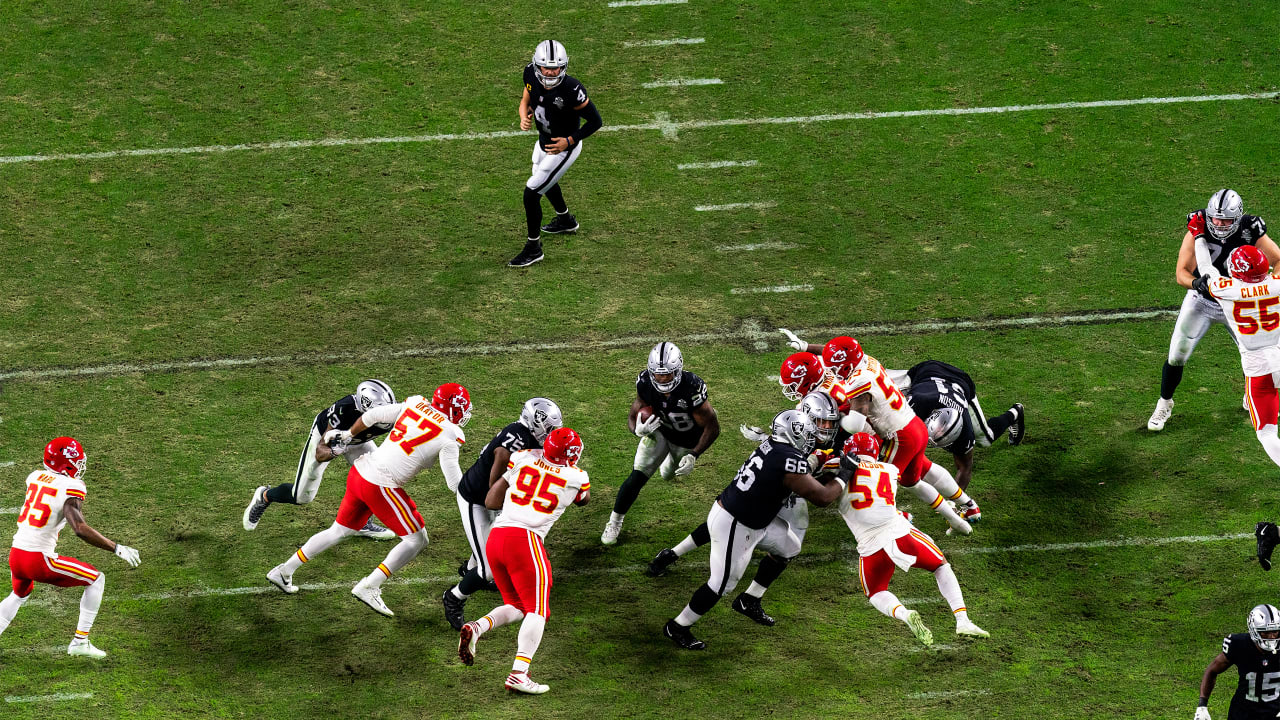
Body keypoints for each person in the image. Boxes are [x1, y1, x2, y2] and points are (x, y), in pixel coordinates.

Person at [266, 384, 471, 617]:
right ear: (453, 407)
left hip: (361, 472)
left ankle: (284, 570)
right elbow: (455, 484)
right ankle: (370, 585)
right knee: (417, 539)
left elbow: (372, 415)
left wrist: (347, 435)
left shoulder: (416, 403)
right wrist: (480, 495)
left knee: (339, 531)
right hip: (380, 485)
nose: (465, 412)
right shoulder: (450, 436)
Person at [647, 391, 842, 628]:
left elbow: (793, 466)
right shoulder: (789, 458)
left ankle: (749, 599)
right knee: (722, 584)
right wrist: (845, 473)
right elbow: (821, 497)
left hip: (750, 512)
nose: (818, 433)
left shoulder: (778, 443)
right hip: (737, 521)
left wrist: (815, 463)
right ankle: (677, 626)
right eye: (818, 425)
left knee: (790, 547)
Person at [783, 331, 980, 529]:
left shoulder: (846, 385)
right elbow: (831, 357)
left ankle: (897, 519)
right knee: (920, 473)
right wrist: (806, 347)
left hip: (894, 437)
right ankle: (968, 508)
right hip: (911, 423)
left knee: (876, 481)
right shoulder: (865, 361)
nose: (832, 370)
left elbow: (855, 425)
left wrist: (835, 418)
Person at [458, 427, 590, 695]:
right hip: (526, 541)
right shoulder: (577, 476)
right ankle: (519, 673)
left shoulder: (523, 456)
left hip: (497, 538)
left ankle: (477, 627)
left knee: (517, 605)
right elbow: (584, 499)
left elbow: (492, 501)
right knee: (538, 610)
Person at [835, 432, 987, 646]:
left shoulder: (834, 467)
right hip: (897, 533)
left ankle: (905, 614)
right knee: (940, 566)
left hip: (868, 545)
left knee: (876, 591)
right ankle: (962, 620)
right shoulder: (890, 470)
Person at [1149, 189, 1278, 431]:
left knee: (1258, 355)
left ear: (1237, 218)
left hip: (1239, 304)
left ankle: (1252, 396)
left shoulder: (1250, 228)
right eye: (1215, 218)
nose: (1218, 224)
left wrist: (1268, 287)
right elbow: (1181, 273)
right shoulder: (1200, 225)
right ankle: (1164, 402)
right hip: (1202, 300)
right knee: (1177, 354)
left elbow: (1278, 259)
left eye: (1226, 220)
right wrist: (1196, 283)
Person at [0, 437, 141, 659]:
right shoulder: (72, 486)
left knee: (19, 594)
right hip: (39, 560)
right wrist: (116, 548)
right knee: (96, 579)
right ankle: (80, 642)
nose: (80, 464)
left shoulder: (34, 477)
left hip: (16, 554)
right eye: (76, 459)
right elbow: (79, 528)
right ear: (66, 462)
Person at [443, 398, 563, 631]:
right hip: (476, 499)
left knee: (487, 551)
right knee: (488, 569)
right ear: (535, 424)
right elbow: (493, 485)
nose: (551, 434)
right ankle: (454, 597)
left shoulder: (523, 434)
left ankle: (470, 570)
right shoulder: (516, 441)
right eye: (549, 429)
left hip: (492, 499)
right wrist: (505, 506)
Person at [243, 379, 398, 539]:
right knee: (301, 496)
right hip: (328, 439)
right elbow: (320, 452)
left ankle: (361, 523)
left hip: (356, 440)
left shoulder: (394, 413)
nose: (383, 416)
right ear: (364, 409)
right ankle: (265, 496)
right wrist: (334, 451)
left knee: (377, 477)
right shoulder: (343, 411)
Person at [601, 342, 719, 545]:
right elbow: (633, 413)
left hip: (686, 441)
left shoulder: (692, 387)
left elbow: (713, 427)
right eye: (658, 374)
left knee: (667, 475)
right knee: (637, 477)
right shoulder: (645, 382)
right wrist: (637, 430)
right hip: (659, 432)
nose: (662, 378)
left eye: (667, 374)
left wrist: (694, 454)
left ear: (678, 370)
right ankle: (614, 522)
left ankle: (670, 462)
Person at [508, 40, 604, 268]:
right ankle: (565, 220)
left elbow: (596, 121)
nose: (551, 72)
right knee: (545, 182)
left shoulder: (572, 89)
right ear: (536, 66)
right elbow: (526, 98)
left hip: (565, 149)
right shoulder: (530, 74)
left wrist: (569, 141)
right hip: (543, 143)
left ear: (564, 67)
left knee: (531, 193)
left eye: (556, 68)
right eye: (546, 67)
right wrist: (524, 114)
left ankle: (534, 248)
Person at [887, 359, 1024, 490]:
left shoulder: (965, 431)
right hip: (927, 372)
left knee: (985, 439)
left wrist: (954, 502)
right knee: (877, 392)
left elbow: (965, 469)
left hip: (960, 384)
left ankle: (1015, 413)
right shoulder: (915, 404)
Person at [1200, 246, 1280, 468]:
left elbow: (1207, 269)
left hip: (1259, 369)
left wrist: (1198, 238)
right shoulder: (1276, 283)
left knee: (1267, 433)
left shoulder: (1226, 289)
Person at [1195, 604, 1280, 719]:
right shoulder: (1239, 645)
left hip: (1274, 712)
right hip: (1243, 714)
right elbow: (1212, 671)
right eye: (1265, 632)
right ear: (1253, 630)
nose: (1271, 637)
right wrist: (1202, 706)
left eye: (1274, 631)